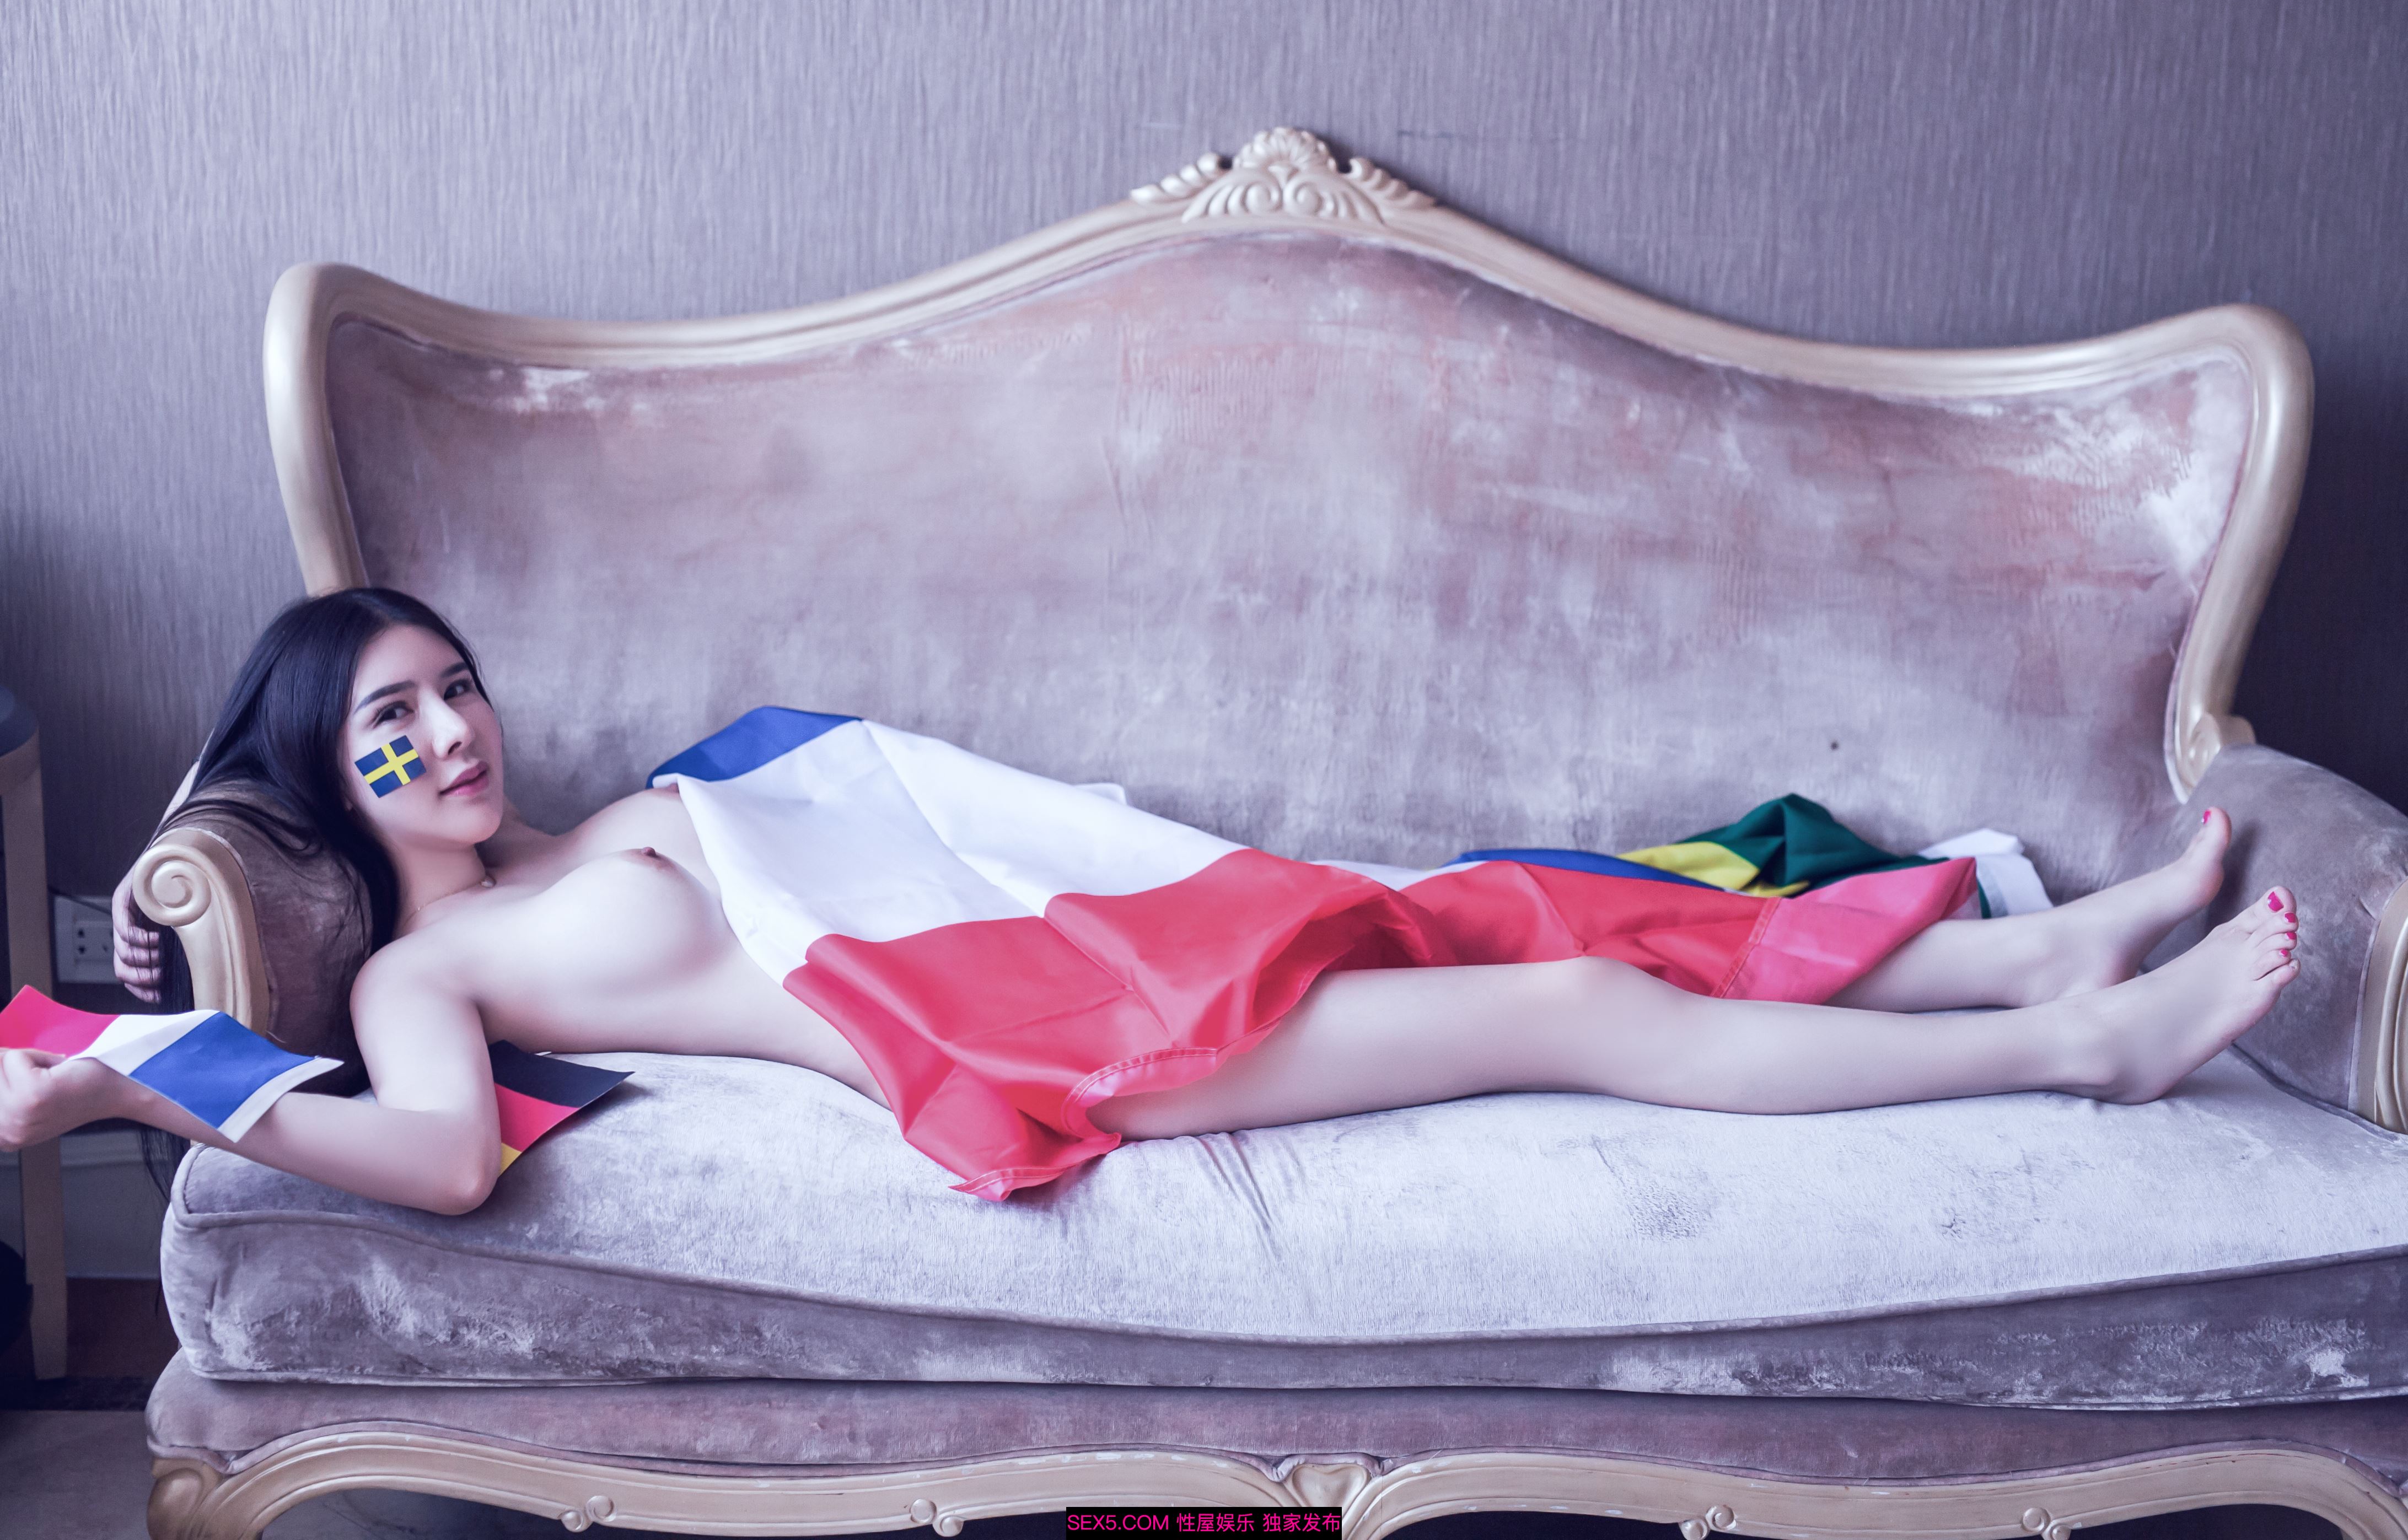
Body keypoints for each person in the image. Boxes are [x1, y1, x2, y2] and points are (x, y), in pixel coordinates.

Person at [0, 590, 2299, 1213]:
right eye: (387, 724)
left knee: (1514, 903)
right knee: (1573, 1004)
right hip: (1063, 1041)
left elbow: (867, 827)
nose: (447, 735)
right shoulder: (423, 971)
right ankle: (2078, 1045)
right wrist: (139, 1068)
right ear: (322, 766)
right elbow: (438, 1160)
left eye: (455, 688)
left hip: (1092, 941)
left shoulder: (583, 828)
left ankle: (2021, 944)